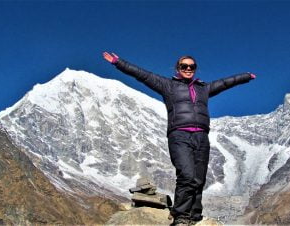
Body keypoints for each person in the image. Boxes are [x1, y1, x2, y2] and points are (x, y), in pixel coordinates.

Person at [103, 52, 256, 225]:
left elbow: (225, 83)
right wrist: (118, 62)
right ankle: (181, 216)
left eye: (192, 66)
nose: (188, 69)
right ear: (178, 68)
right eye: (184, 66)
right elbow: (142, 74)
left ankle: (194, 215)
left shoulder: (203, 88)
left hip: (201, 136)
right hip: (179, 135)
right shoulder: (168, 85)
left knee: (199, 178)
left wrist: (244, 77)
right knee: (187, 175)